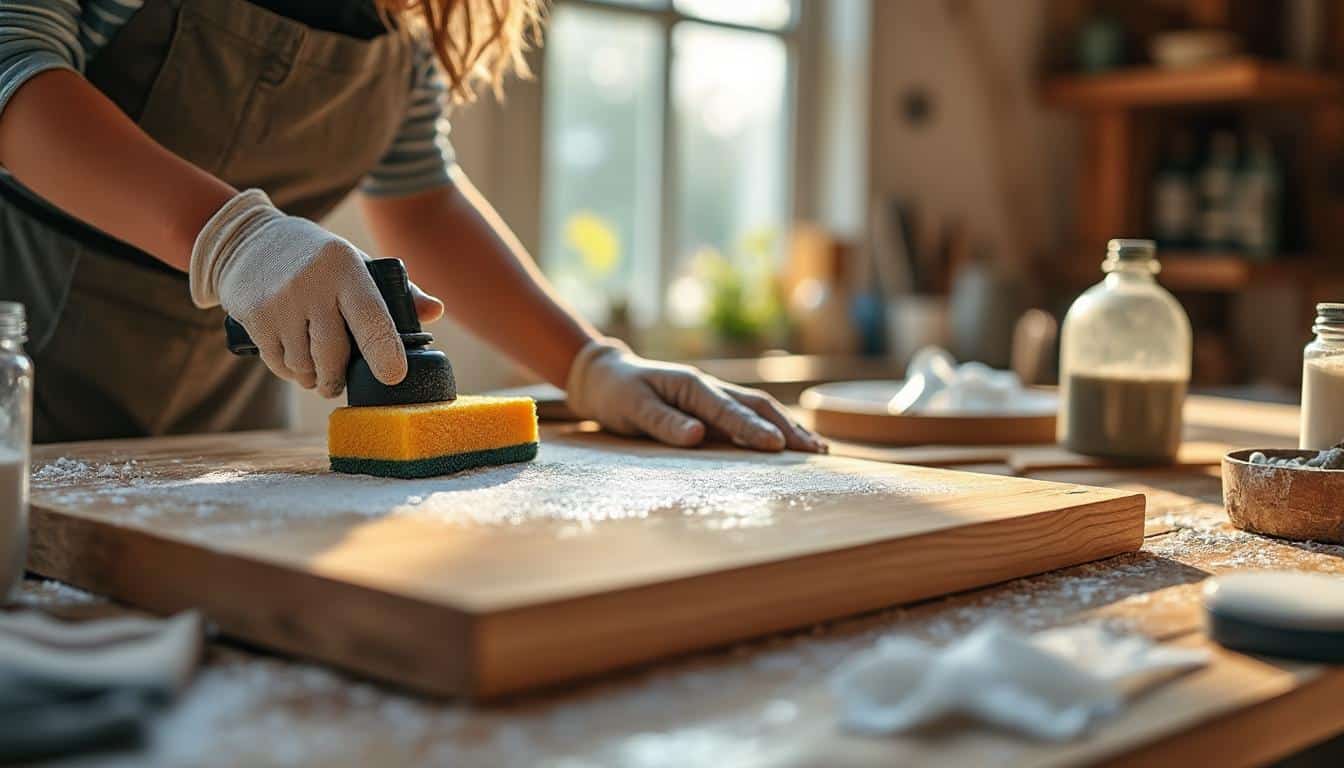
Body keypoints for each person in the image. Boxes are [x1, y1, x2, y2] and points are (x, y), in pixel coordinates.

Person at [0, 0, 825, 453]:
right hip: (19, 386)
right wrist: (234, 240)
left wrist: (590, 365)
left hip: (203, 442)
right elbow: (14, 63)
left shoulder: (404, 22)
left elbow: (421, 199)